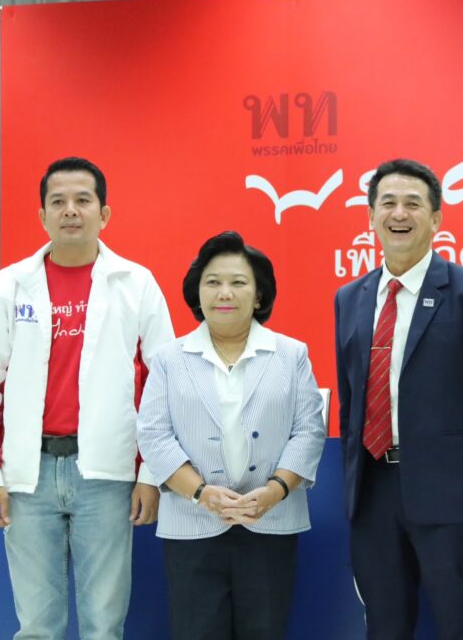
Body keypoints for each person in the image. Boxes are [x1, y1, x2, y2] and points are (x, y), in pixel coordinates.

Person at [0, 156, 175, 639]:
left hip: (106, 476)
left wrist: (150, 475)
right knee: (37, 626)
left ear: (104, 213)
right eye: (58, 202)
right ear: (42, 216)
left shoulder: (136, 284)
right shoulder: (9, 286)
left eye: (83, 200)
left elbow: (163, 385)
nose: (70, 211)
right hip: (27, 475)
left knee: (104, 625)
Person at [334, 158, 463, 639]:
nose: (399, 214)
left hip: (449, 492)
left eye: (413, 204)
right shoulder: (349, 298)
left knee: (459, 622)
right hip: (372, 491)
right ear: (370, 216)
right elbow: (351, 402)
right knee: (384, 625)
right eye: (388, 203)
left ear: (436, 219)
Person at [137, 231, 326, 640]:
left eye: (238, 282)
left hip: (271, 521)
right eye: (213, 282)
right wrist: (201, 493)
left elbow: (309, 430)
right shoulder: (169, 359)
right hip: (192, 524)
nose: (225, 292)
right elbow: (153, 434)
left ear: (258, 296)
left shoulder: (291, 354)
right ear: (197, 292)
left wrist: (275, 491)